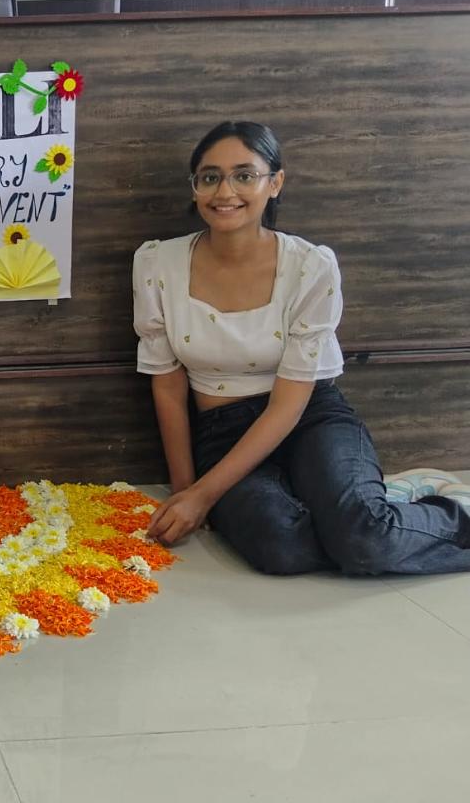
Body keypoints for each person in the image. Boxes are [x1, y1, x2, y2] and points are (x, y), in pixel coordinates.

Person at [132, 120, 470, 575]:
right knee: (281, 547)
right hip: (221, 432)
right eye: (210, 177)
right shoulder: (158, 264)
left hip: (310, 417)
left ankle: (430, 517)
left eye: (244, 175)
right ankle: (357, 514)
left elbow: (288, 405)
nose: (224, 191)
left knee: (365, 540)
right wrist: (186, 490)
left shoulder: (310, 266)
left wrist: (205, 495)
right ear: (195, 187)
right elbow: (169, 387)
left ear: (275, 183)